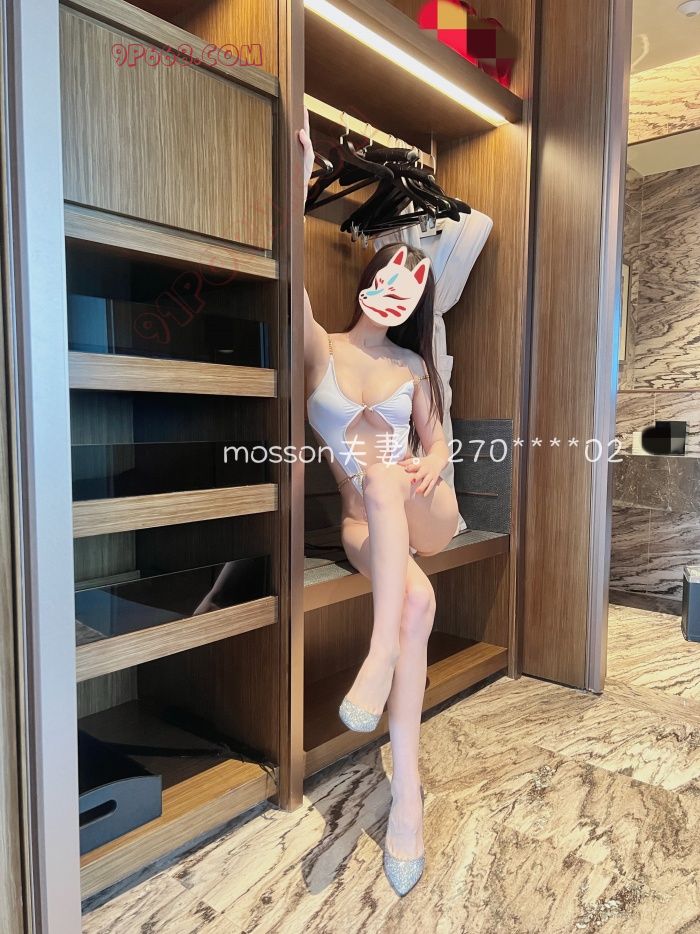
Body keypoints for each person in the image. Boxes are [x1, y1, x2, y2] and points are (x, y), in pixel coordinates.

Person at [299, 112, 459, 896]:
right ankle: (407, 800)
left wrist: (434, 457)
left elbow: (439, 441)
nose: (398, 292)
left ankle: (377, 657)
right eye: (391, 277)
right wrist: (295, 183)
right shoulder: (323, 349)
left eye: (412, 286)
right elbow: (286, 287)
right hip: (362, 524)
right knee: (418, 605)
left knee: (393, 473)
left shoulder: (414, 368)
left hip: (422, 512)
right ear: (369, 281)